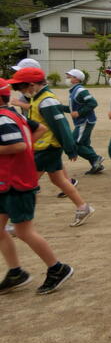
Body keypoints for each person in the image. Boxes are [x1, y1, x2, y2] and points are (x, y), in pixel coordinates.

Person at [0, 78, 75, 295]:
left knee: (23, 231)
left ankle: (57, 268)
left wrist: (23, 152)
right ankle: (16, 272)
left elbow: (18, 145)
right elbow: (39, 128)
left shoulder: (3, 118)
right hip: (7, 182)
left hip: (15, 183)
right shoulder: (13, 114)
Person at [8, 67, 95, 227]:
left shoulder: (46, 100)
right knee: (58, 179)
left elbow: (61, 125)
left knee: (27, 182)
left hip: (47, 148)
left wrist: (70, 148)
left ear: (32, 84)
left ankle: (18, 222)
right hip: (45, 147)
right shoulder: (38, 98)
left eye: (21, 87)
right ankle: (83, 207)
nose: (20, 91)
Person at [63, 69, 105, 175]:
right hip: (82, 121)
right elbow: (73, 109)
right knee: (84, 144)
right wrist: (59, 107)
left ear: (77, 79)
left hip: (85, 121)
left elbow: (93, 103)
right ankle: (96, 165)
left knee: (74, 143)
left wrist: (79, 113)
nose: (67, 79)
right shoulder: (74, 91)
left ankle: (96, 158)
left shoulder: (80, 90)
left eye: (69, 77)